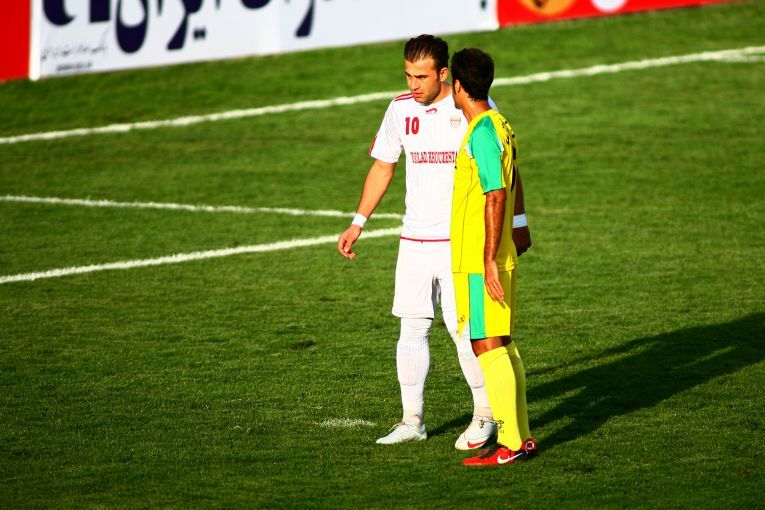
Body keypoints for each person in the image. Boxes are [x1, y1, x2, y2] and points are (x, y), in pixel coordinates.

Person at [337, 35, 532, 449]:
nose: (413, 84)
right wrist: (358, 222)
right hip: (414, 238)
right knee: (411, 328)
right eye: (408, 75)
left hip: (460, 243)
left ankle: (485, 416)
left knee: (467, 333)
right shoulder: (399, 109)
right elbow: (383, 167)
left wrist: (519, 223)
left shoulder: (473, 110)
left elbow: (507, 169)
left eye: (421, 77)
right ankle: (412, 420)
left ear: (444, 74)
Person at [448, 47, 538, 466]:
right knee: (501, 342)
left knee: (485, 343)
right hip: (498, 253)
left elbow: (495, 194)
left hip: (481, 258)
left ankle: (510, 444)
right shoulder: (500, 124)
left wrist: (486, 261)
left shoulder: (482, 132)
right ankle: (520, 437)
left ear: (458, 86)